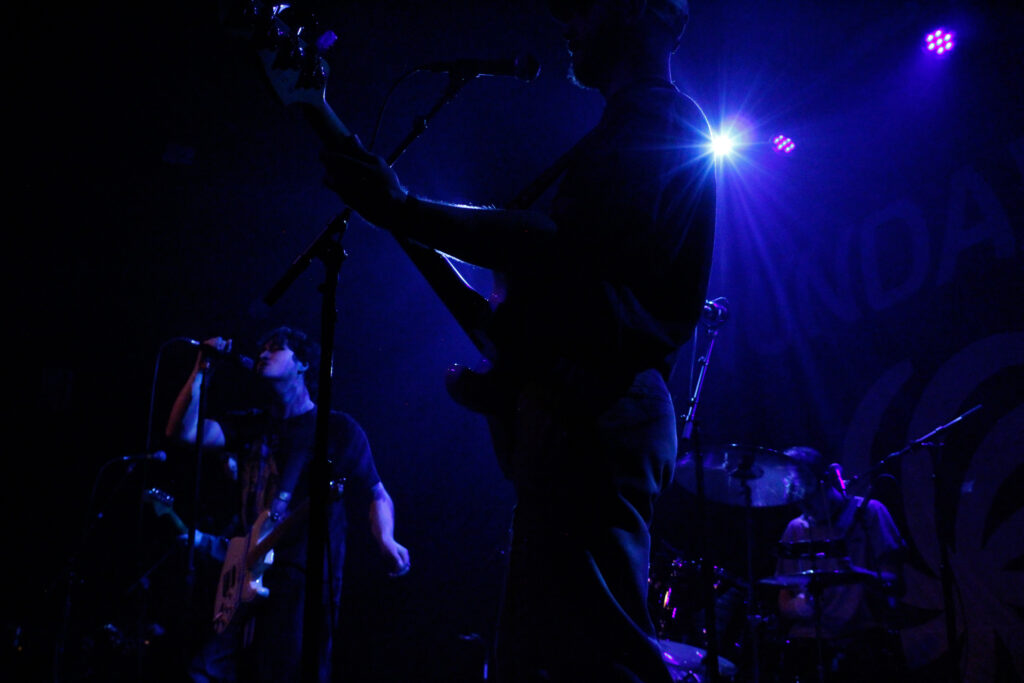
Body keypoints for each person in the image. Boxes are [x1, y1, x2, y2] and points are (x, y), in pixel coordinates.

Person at [320, 2, 715, 680]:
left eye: (585, 7)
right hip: (579, 408)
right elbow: (528, 306)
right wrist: (399, 216)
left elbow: (557, 247)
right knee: (540, 658)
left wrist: (405, 208)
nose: (566, 22)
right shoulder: (625, 127)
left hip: (603, 405)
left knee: (600, 656)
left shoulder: (661, 118)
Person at [165, 326, 410, 683]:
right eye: (261, 348)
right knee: (205, 671)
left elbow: (377, 492)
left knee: (286, 672)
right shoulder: (251, 424)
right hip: (246, 567)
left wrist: (386, 539)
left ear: (303, 365)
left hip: (302, 576)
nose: (263, 354)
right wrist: (201, 369)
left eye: (275, 349)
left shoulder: (336, 428)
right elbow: (182, 433)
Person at [774, 446, 907, 683]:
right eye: (797, 498)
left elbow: (895, 582)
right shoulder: (795, 528)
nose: (804, 505)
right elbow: (783, 596)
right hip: (809, 643)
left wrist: (859, 576)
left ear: (824, 480)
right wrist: (797, 607)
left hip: (862, 639)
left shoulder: (870, 513)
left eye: (808, 496)